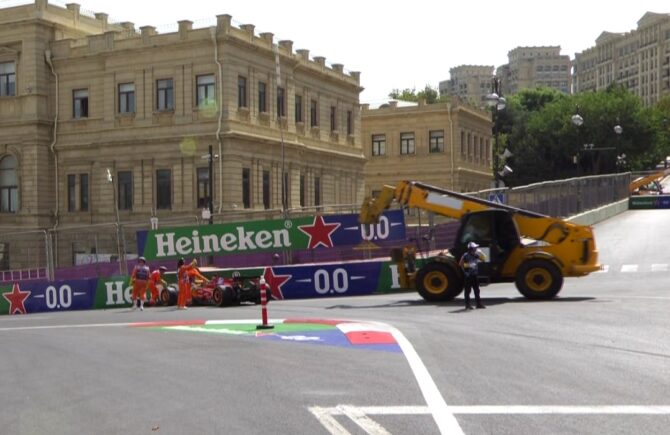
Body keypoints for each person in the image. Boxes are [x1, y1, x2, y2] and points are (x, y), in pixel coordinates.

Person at [459, 242, 486, 310]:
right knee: (468, 291)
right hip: (468, 275)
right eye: (475, 248)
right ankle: (467, 305)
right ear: (471, 249)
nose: (476, 249)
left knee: (477, 290)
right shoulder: (465, 255)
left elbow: (484, 259)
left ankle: (478, 304)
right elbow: (460, 264)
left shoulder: (476, 255)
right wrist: (468, 265)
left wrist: (481, 253)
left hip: (474, 275)